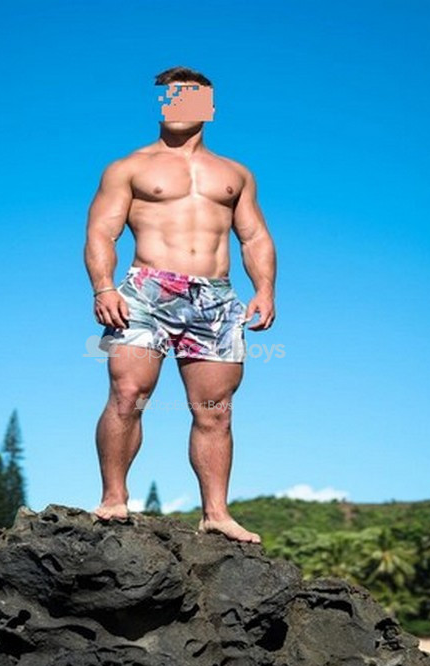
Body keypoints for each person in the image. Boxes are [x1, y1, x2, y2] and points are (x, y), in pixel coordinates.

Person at [84, 65, 277, 543]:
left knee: (215, 409)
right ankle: (114, 498)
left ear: (209, 109)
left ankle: (216, 513)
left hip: (215, 297)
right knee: (128, 394)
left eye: (189, 96)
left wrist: (265, 289)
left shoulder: (235, 174)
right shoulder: (129, 167)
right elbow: (101, 231)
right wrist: (103, 287)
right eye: (170, 96)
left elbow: (254, 236)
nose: (178, 104)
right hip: (146, 290)